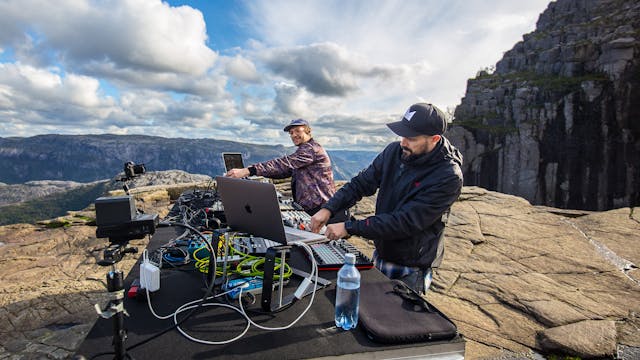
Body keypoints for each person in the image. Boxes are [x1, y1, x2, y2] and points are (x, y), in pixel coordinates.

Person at [310, 103, 463, 294]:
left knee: (399, 322)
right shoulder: (394, 152)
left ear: (434, 139)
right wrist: (329, 209)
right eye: (402, 135)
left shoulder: (448, 176)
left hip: (411, 267)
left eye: (411, 138)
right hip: (382, 252)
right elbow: (360, 183)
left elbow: (405, 222)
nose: (403, 142)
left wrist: (349, 227)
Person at [226, 118, 346, 222]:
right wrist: (260, 175)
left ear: (307, 130)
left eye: (297, 131)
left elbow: (284, 164)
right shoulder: (306, 149)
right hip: (315, 206)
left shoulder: (311, 149)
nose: (294, 135)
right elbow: (284, 171)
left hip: (319, 207)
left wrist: (249, 170)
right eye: (291, 133)